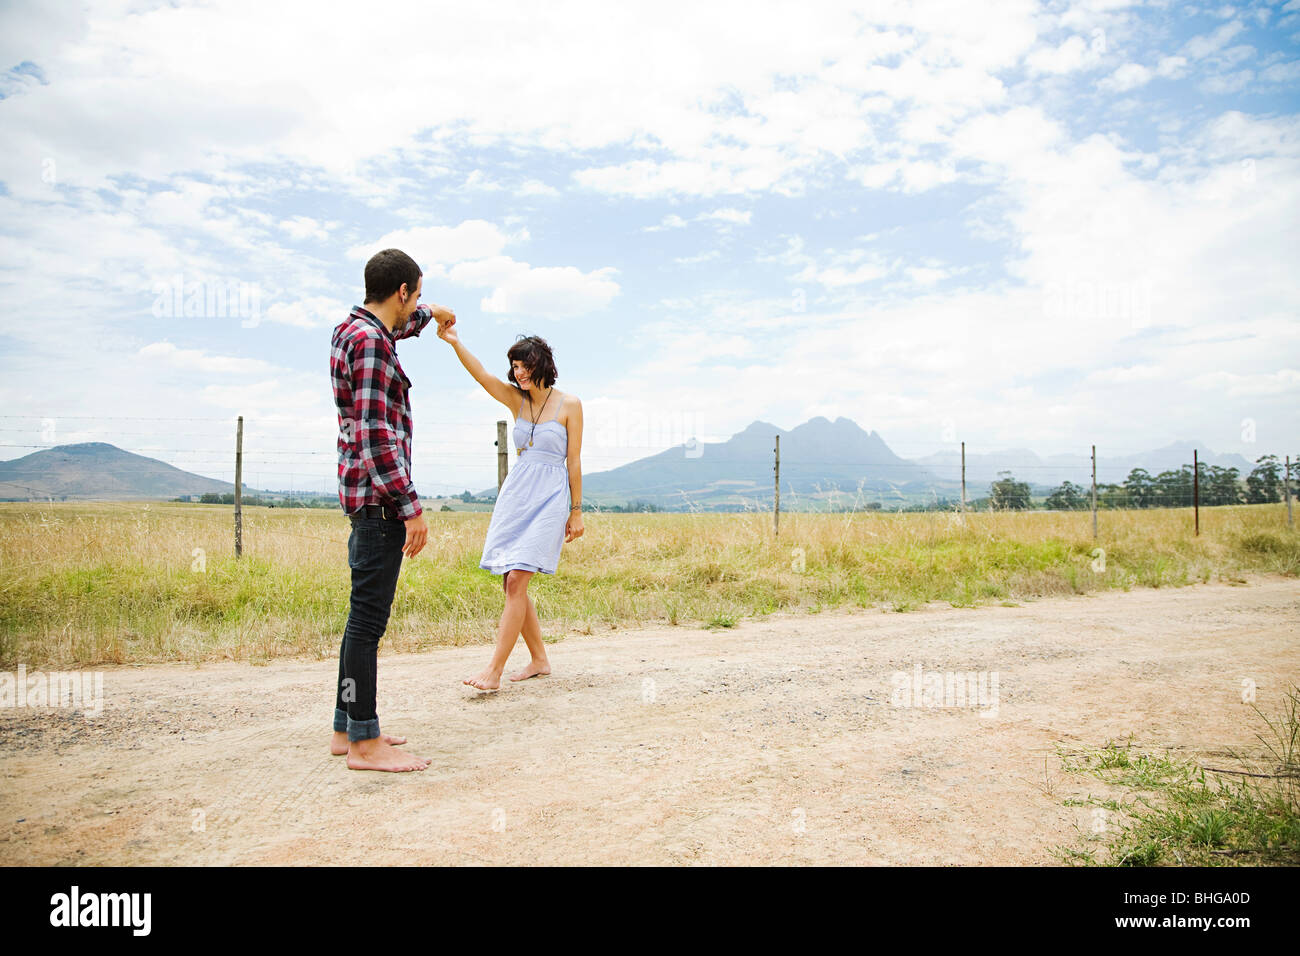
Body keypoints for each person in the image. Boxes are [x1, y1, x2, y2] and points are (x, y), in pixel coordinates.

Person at [329, 247, 455, 771]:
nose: (416, 305)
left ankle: (346, 728)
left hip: (362, 498)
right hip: (380, 503)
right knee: (367, 622)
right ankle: (364, 743)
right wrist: (412, 508)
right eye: (417, 296)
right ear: (401, 291)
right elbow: (377, 437)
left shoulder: (353, 331)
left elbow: (399, 328)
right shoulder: (373, 346)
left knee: (361, 617)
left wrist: (434, 316)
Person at [437, 326, 584, 691]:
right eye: (515, 366)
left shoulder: (570, 405)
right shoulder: (516, 400)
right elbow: (482, 374)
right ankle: (539, 660)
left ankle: (494, 670)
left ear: (543, 365)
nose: (518, 373)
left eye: (524, 365)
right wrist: (456, 342)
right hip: (517, 495)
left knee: (518, 579)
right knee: (510, 581)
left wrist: (576, 510)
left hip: (550, 496)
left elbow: (575, 461)